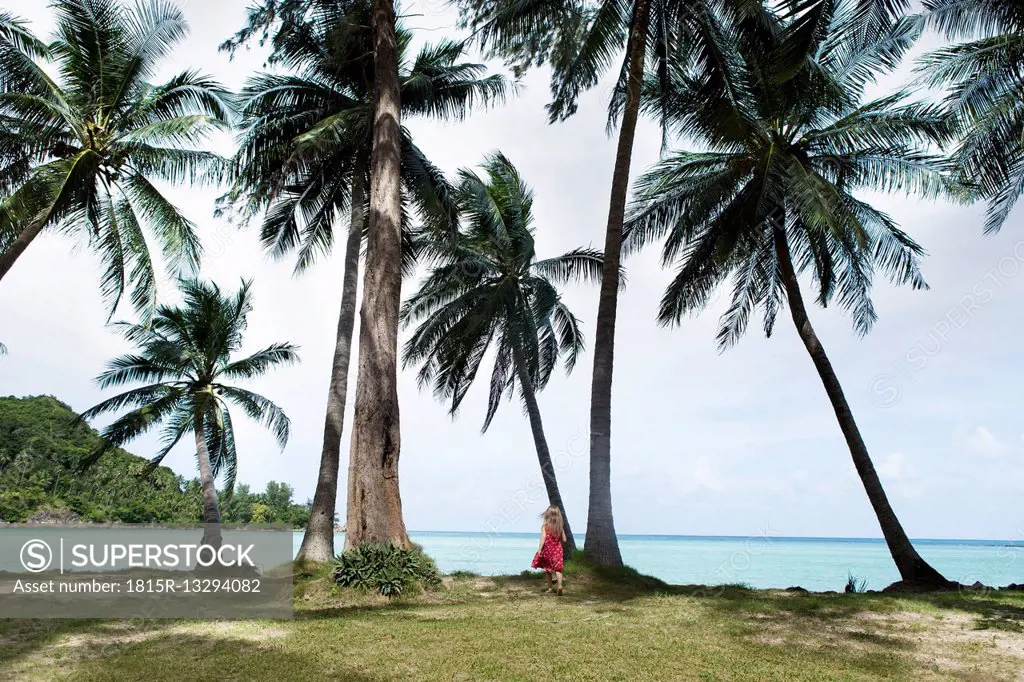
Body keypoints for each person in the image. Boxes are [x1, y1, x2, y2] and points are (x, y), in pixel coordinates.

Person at [531, 505, 566, 595]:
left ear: (548, 515)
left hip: (548, 551)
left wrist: (539, 549)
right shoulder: (560, 527)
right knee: (558, 570)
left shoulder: (545, 527)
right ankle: (560, 586)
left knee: (548, 570)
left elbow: (543, 539)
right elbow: (565, 540)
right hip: (558, 551)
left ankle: (550, 588)